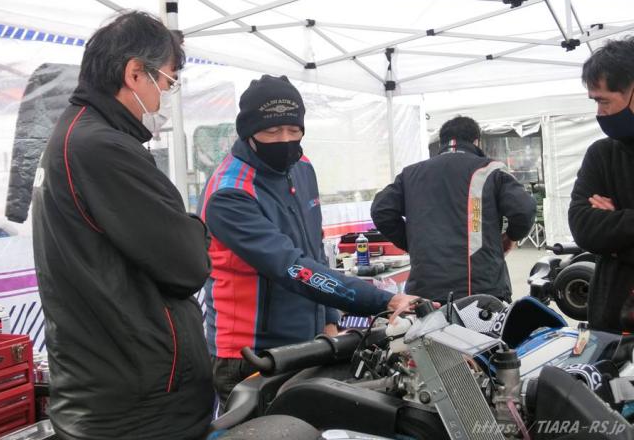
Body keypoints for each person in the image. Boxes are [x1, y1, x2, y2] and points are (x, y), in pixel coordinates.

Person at [31, 11, 213, 440]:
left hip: (111, 391)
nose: (163, 99)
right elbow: (188, 264)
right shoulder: (101, 147)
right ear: (134, 74)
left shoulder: (76, 136)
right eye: (166, 82)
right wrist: (194, 228)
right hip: (137, 405)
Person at [198, 74, 418, 406]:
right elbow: (294, 268)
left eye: (293, 129)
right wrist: (383, 300)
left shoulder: (301, 166)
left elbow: (315, 249)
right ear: (248, 131)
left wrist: (329, 321)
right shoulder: (229, 193)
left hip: (308, 341)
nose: (285, 140)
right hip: (251, 354)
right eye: (272, 131)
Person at [371, 115, 536, 304]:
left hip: (425, 291)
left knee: (427, 325)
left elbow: (381, 210)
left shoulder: (410, 174)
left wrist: (412, 243)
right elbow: (524, 209)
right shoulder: (490, 170)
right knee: (484, 325)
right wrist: (511, 236)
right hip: (480, 289)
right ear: (476, 141)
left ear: (442, 142)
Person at [569, 38, 634, 332]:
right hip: (609, 325)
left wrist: (616, 238)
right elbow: (583, 227)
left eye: (603, 100)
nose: (599, 112)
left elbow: (601, 232)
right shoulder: (602, 154)